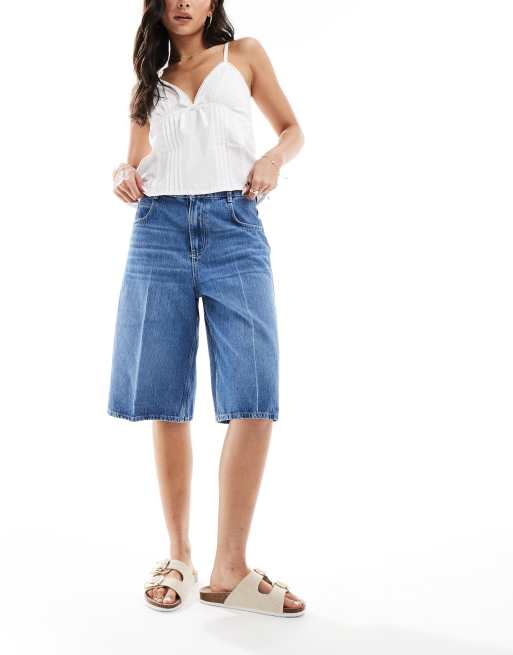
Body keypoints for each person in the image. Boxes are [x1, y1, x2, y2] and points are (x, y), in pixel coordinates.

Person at [107, 0, 305, 617]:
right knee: (165, 396)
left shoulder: (243, 55)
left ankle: (230, 568)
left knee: (254, 392)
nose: (183, 2)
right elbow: (134, 160)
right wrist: (121, 173)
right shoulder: (149, 79)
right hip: (158, 230)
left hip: (234, 226)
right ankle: (179, 557)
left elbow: (292, 130)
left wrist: (271, 159)